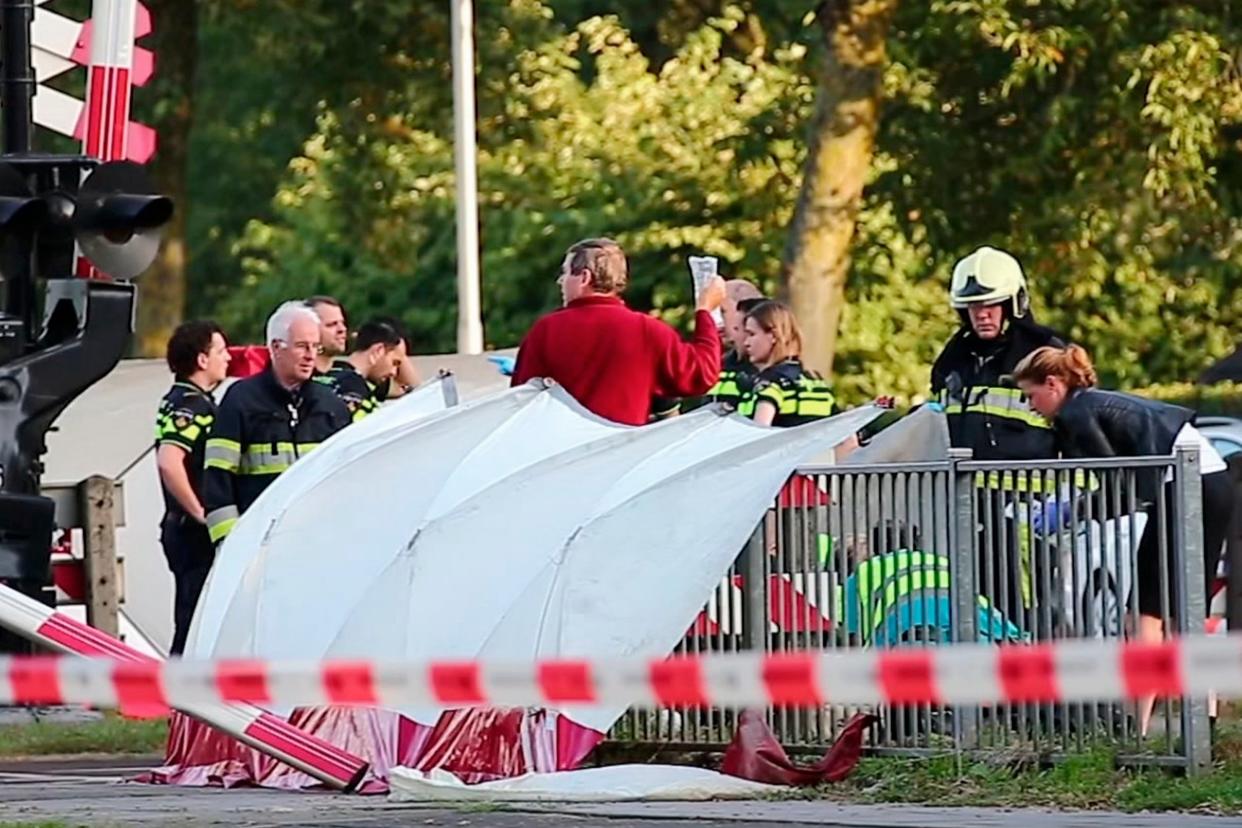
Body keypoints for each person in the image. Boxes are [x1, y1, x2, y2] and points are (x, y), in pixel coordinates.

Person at [1014, 344, 1235, 734]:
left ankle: (1138, 729)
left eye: (1031, 395)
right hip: (1204, 482)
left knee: (1151, 615)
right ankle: (1199, 723)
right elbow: (1125, 487)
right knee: (1177, 613)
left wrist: (1069, 513)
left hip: (1187, 486)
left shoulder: (1079, 412)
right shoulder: (1088, 404)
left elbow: (1122, 488)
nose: (1030, 406)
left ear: (1052, 384)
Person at [510, 238, 725, 426]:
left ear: (585, 277)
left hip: (558, 457)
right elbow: (702, 375)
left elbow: (521, 401)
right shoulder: (648, 331)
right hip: (621, 458)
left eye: (565, 273)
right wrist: (705, 311)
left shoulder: (546, 330)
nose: (560, 281)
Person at [203, 302, 351, 544]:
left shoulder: (331, 405)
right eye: (302, 346)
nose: (310, 356)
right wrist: (229, 543)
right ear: (275, 347)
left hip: (320, 540)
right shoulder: (241, 401)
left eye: (315, 347)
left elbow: (347, 477)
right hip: (259, 543)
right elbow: (217, 479)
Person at [930, 246, 1063, 461]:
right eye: (973, 306)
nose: (982, 314)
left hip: (1031, 493)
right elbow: (930, 421)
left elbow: (1079, 423)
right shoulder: (952, 361)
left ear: (1012, 304)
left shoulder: (1046, 354)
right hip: (960, 492)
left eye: (991, 304)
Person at [155, 321, 231, 655]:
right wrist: (200, 513)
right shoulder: (193, 405)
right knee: (193, 616)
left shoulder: (181, 399)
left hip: (180, 526)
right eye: (221, 351)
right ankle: (181, 695)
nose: (228, 358)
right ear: (202, 359)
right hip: (190, 529)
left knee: (193, 614)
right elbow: (169, 460)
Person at [736, 300, 836, 427]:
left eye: (751, 334)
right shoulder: (816, 382)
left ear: (773, 336)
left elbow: (759, 433)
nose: (746, 343)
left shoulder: (770, 383)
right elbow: (849, 441)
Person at [321, 318, 408, 422]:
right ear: (378, 350)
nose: (393, 372)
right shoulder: (356, 390)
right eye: (394, 363)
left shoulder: (328, 374)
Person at [306, 295, 349, 376]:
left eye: (342, 323)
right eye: (332, 324)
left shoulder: (350, 377)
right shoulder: (295, 380)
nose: (342, 329)